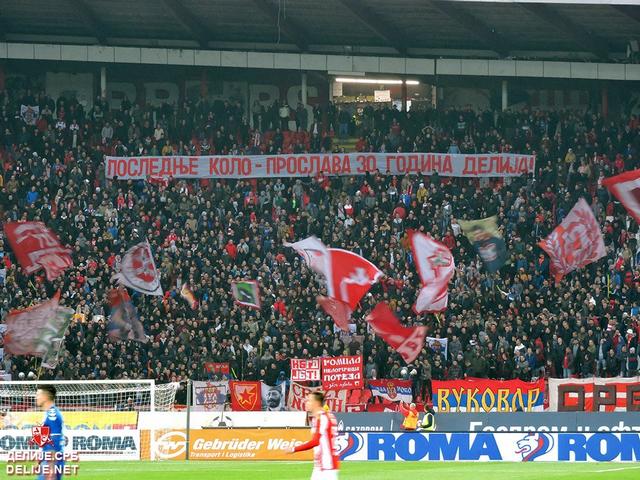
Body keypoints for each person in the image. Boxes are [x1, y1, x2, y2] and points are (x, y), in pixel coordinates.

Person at [287, 391, 339, 479]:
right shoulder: (323, 416)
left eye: (309, 401)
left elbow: (315, 442)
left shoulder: (322, 417)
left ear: (316, 403)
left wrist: (294, 449)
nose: (306, 403)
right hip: (322, 465)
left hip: (326, 466)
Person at [35, 384, 64, 480]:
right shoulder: (49, 413)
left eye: (38, 395)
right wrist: (39, 460)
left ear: (45, 397)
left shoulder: (52, 415)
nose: (36, 397)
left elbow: (54, 442)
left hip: (51, 462)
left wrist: (51, 469)